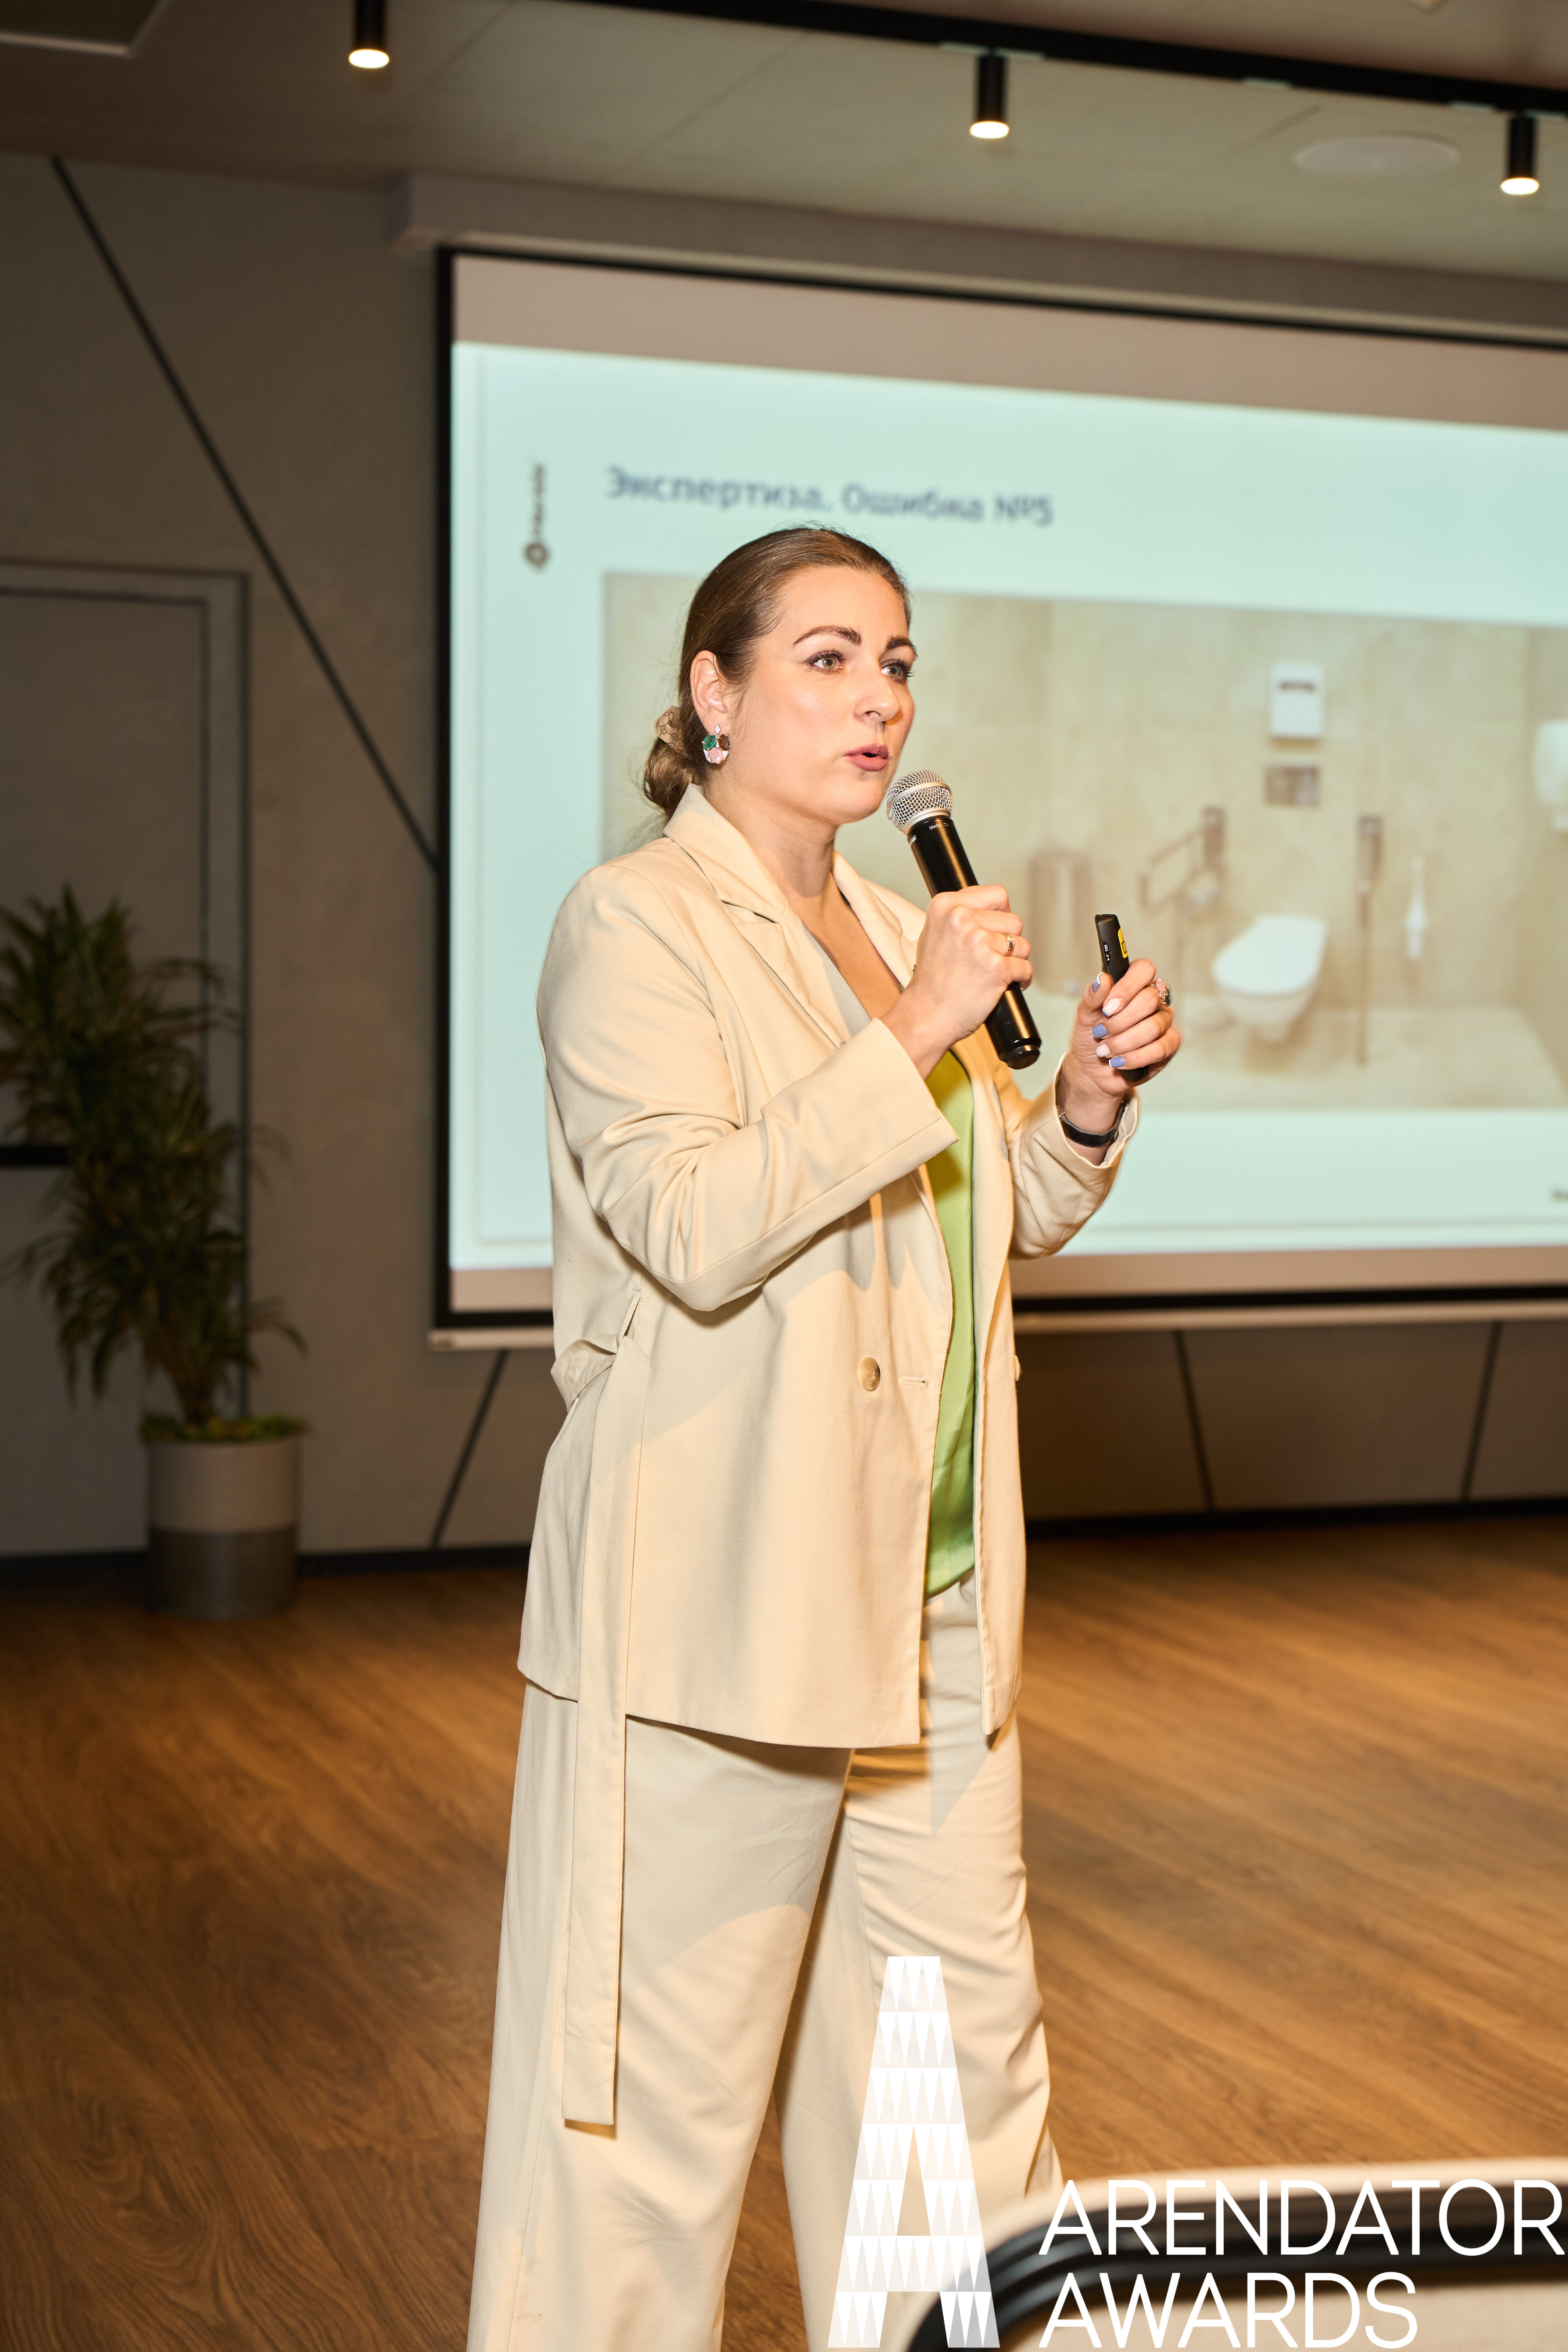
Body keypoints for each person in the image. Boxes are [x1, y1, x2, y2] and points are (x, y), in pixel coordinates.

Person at [467, 526, 1179, 2352]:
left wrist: (1083, 1104)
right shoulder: (634, 924)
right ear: (713, 695)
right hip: (720, 1604)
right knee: (645, 2132)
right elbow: (696, 1221)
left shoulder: (886, 925)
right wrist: (923, 1023)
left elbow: (984, 1217)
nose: (881, 702)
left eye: (899, 662)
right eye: (831, 659)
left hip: (932, 1613)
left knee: (949, 2110)